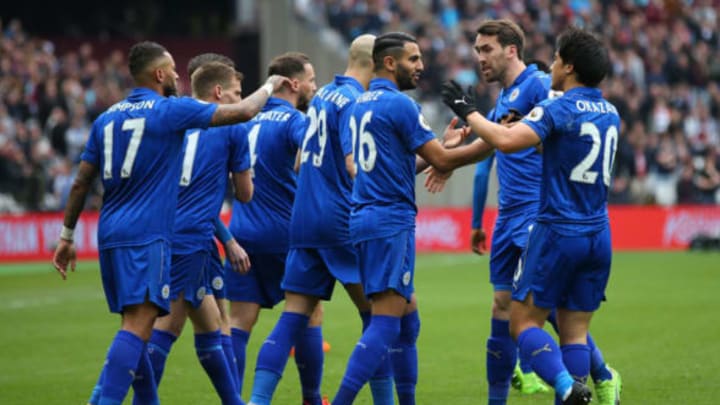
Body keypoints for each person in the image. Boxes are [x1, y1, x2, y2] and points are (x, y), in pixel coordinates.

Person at [51, 40, 287, 405]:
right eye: (174, 70)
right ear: (159, 73)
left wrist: (66, 236)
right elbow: (241, 115)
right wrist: (271, 86)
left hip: (111, 232)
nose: (180, 76)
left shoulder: (106, 118)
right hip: (153, 236)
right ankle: (103, 398)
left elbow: (82, 181)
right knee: (143, 328)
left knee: (191, 320)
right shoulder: (171, 111)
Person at [430, 20, 621, 405]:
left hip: (546, 219)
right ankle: (570, 387)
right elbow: (507, 148)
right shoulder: (609, 111)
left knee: (529, 317)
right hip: (586, 226)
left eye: (486, 49)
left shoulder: (543, 93)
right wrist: (444, 157)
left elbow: (504, 140)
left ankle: (583, 382)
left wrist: (467, 113)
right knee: (558, 321)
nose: (479, 57)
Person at [331, 31, 494, 405]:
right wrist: (492, 142)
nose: (421, 66)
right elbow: (442, 161)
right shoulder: (401, 106)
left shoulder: (355, 106)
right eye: (414, 59)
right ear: (389, 62)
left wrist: (442, 147)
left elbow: (362, 168)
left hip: (366, 218)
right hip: (390, 221)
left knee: (407, 319)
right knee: (384, 325)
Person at [245, 34, 396, 405]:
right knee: (379, 318)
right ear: (376, 62)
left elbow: (299, 162)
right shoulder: (356, 101)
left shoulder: (324, 94)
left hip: (304, 219)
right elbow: (352, 164)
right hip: (341, 219)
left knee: (293, 317)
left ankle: (258, 401)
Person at [138, 61, 254, 404]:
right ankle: (112, 394)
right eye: (236, 92)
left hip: (169, 229)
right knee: (162, 329)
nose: (240, 99)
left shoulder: (173, 119)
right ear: (218, 91)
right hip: (189, 237)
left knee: (211, 322)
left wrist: (226, 238)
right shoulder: (232, 126)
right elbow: (245, 194)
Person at [223, 52, 323, 404]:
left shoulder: (244, 121)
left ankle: (233, 399)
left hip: (242, 235)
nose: (314, 85)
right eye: (311, 79)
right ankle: (312, 398)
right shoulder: (294, 120)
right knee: (308, 314)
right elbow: (310, 153)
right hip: (285, 235)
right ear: (294, 84)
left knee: (239, 321)